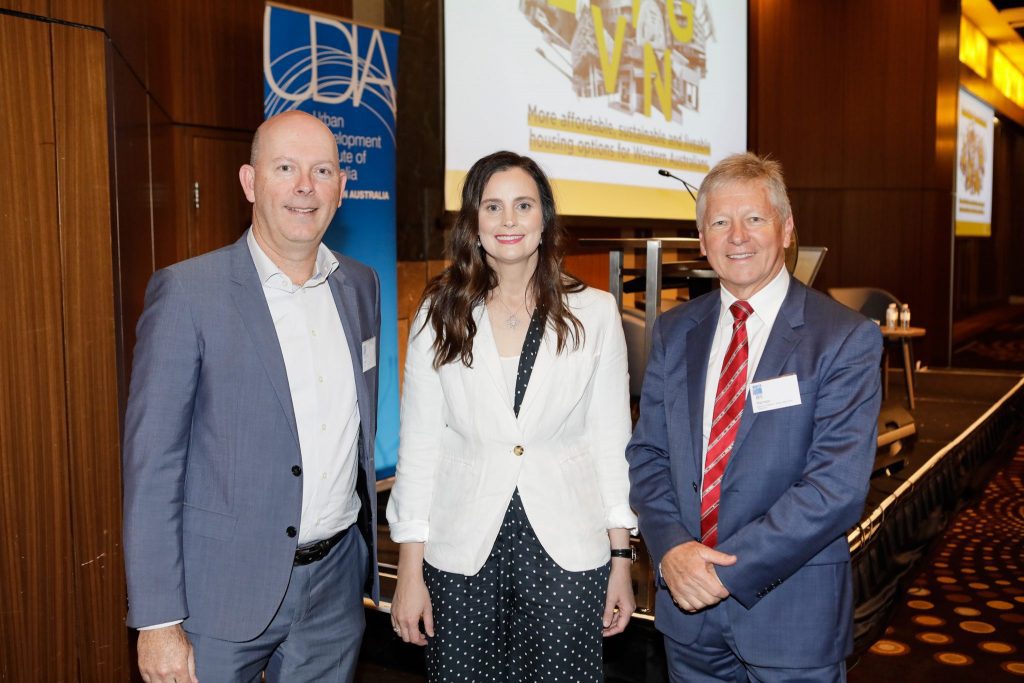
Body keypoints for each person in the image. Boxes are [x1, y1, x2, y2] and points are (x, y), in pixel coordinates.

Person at [122, 110, 381, 683]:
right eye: (285, 168)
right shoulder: (188, 293)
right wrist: (158, 620)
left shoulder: (361, 285)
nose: (305, 186)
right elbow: (152, 466)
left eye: (322, 171)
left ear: (341, 187)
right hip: (217, 594)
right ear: (250, 181)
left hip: (336, 588)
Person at [627, 153, 883, 682]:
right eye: (720, 222)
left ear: (786, 229)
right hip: (688, 615)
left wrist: (721, 573)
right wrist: (671, 549)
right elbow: (649, 455)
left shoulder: (843, 337)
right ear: (702, 240)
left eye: (755, 218)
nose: (737, 236)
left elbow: (835, 488)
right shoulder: (675, 331)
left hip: (791, 614)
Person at [386, 151, 636, 682]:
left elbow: (611, 442)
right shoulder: (438, 311)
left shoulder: (594, 311)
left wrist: (622, 558)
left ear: (544, 218)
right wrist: (409, 567)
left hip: (567, 551)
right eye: (492, 206)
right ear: (473, 222)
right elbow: (420, 445)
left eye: (523, 205)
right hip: (461, 551)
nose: (508, 220)